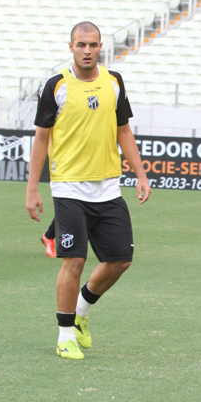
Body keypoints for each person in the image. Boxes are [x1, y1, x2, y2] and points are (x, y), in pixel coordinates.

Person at [25, 21, 151, 360]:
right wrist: (32, 189)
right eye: (81, 44)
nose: (87, 50)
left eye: (93, 45)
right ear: (71, 47)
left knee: (120, 260)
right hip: (68, 187)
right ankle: (65, 334)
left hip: (109, 187)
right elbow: (41, 138)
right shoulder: (57, 86)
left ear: (100, 48)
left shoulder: (113, 83)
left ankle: (80, 311)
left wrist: (140, 174)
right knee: (75, 260)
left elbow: (123, 130)